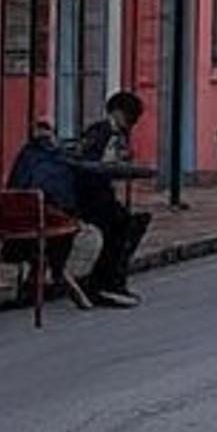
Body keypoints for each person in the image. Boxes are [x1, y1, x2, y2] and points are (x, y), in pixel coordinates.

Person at [69, 91, 151, 307]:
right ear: (117, 112)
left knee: (127, 223)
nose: (130, 124)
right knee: (121, 226)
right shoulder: (101, 131)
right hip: (90, 196)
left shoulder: (112, 134)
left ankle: (110, 280)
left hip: (99, 193)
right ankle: (105, 281)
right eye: (129, 117)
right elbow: (88, 164)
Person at [4, 121, 92, 310]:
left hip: (18, 225)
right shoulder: (60, 157)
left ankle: (36, 280)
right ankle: (53, 276)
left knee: (47, 232)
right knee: (62, 231)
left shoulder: (26, 156)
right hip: (46, 224)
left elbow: (15, 185)